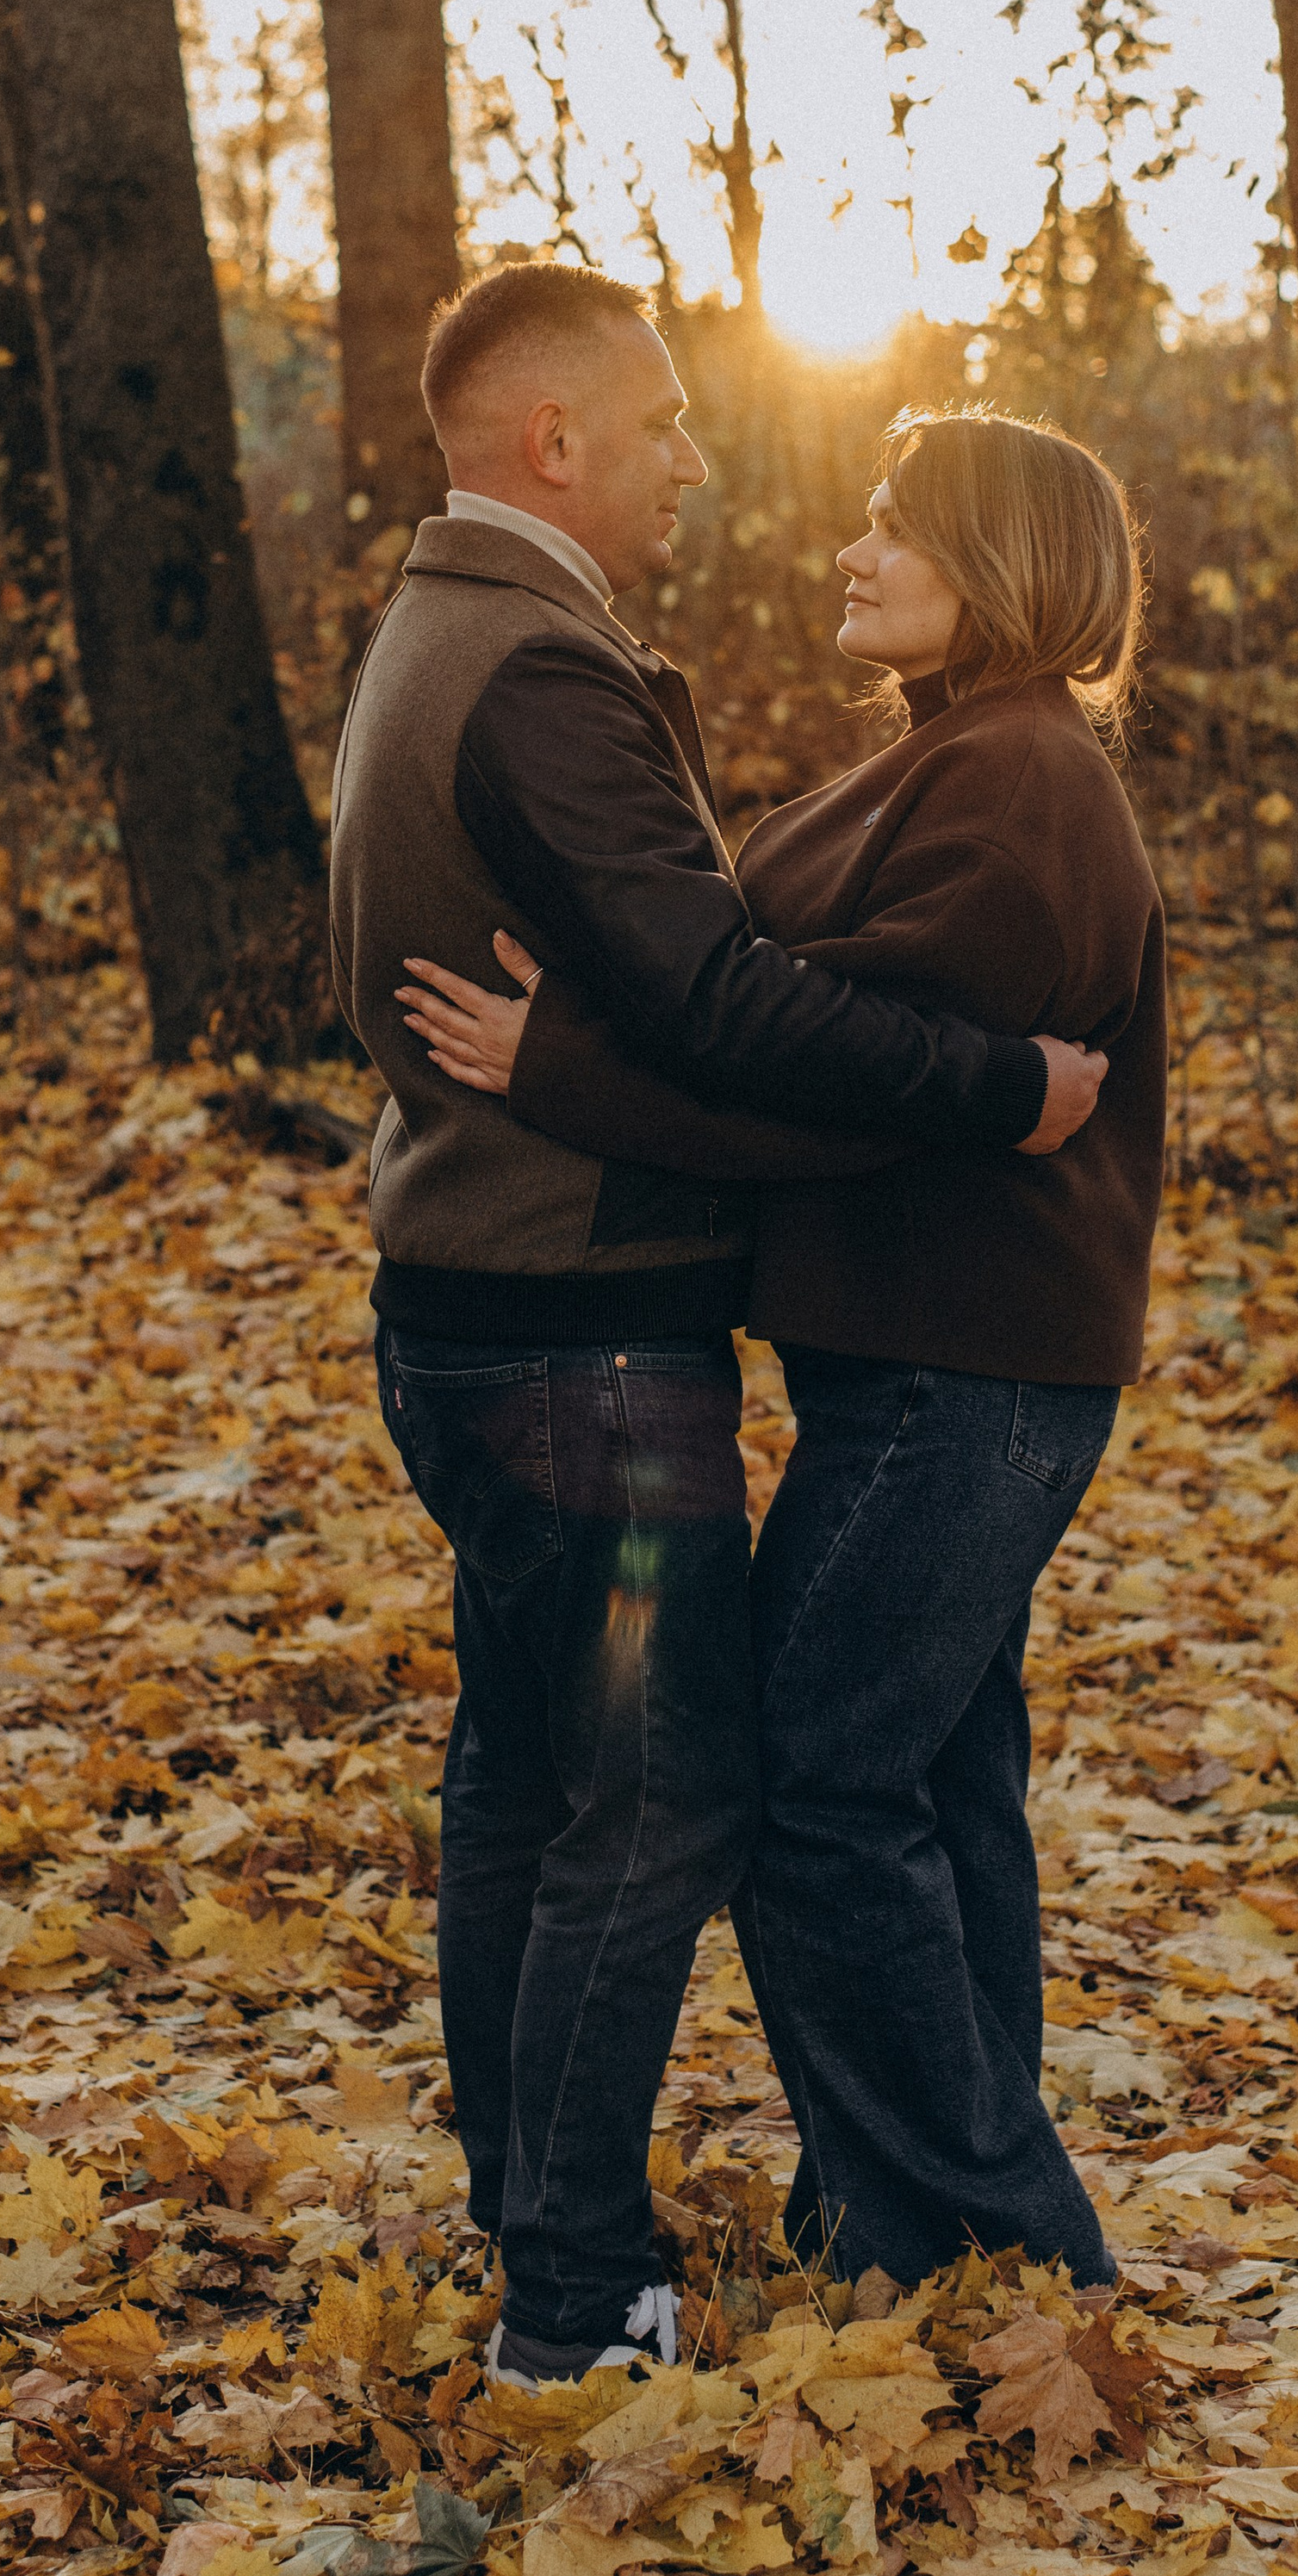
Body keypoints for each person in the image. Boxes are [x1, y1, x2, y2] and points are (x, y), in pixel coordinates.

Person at [327, 272, 1109, 2389]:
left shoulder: (436, 635)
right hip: (581, 1346)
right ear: (554, 441)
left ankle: (552, 2227)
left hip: (484, 1308)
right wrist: (996, 1088)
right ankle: (577, 2298)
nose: (695, 456)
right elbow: (719, 1001)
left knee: (528, 1784)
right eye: (663, 420)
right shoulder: (539, 669)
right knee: (661, 1801)